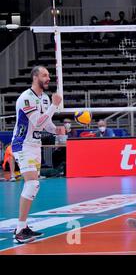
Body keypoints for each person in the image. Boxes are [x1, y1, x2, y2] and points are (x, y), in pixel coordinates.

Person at [11, 66, 64, 243]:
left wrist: (56, 129)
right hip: (22, 144)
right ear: (35, 77)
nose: (48, 78)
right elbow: (38, 123)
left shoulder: (45, 99)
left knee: (34, 184)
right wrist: (56, 105)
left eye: (48, 75)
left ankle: (22, 227)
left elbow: (46, 124)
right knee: (32, 183)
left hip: (35, 145)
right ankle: (20, 230)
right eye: (44, 75)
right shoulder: (26, 98)